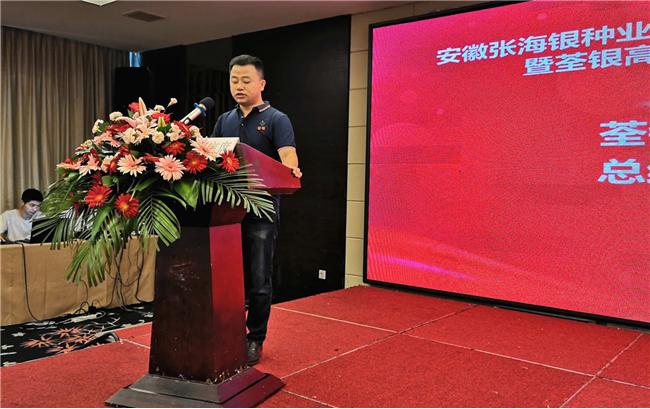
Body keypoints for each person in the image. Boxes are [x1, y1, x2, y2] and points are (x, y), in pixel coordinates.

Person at [211, 54, 302, 365]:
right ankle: (229, 333)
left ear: (261, 84)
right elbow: (213, 158)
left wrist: (291, 169)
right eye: (234, 80)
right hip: (225, 211)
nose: (239, 86)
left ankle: (255, 338)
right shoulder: (224, 120)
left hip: (262, 209)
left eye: (246, 80)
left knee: (259, 278)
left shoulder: (277, 119)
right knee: (229, 278)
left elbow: (288, 157)